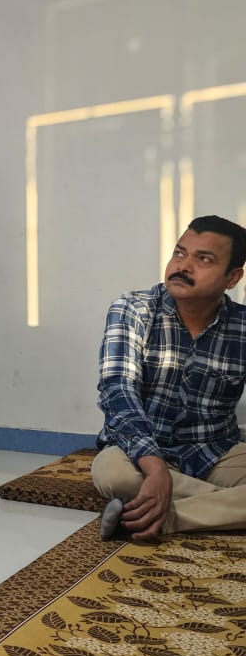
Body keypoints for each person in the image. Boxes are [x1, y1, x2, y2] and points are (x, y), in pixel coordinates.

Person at [93, 214, 246, 542]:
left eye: (204, 259)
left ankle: (160, 518)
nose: (183, 266)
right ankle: (220, 506)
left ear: (233, 277)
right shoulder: (133, 309)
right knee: (116, 477)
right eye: (179, 253)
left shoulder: (242, 326)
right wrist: (155, 466)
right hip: (135, 448)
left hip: (215, 448)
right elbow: (117, 390)